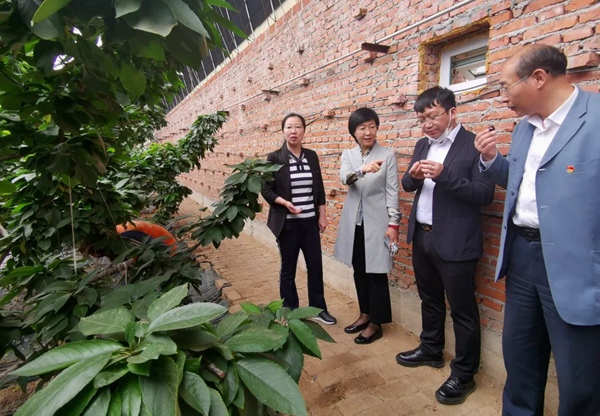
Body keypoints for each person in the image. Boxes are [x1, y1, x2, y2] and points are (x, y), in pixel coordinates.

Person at [474, 44, 600, 416]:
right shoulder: (524, 129)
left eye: (506, 86)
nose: (503, 96)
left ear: (539, 78)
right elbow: (522, 184)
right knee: (520, 361)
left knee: (580, 382)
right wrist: (492, 160)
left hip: (578, 268)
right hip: (523, 258)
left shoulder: (595, 119)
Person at [397, 87, 495, 405]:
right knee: (429, 300)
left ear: (453, 112)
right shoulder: (422, 144)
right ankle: (431, 349)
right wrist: (413, 177)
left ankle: (464, 374)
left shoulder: (473, 145)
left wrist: (444, 175)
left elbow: (485, 195)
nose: (427, 124)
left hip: (456, 242)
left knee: (462, 310)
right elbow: (408, 184)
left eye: (432, 116)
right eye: (421, 119)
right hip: (423, 236)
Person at [261, 113, 337, 325]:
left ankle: (318, 309)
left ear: (304, 130)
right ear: (283, 131)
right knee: (288, 270)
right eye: (289, 127)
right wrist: (285, 203)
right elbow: (265, 189)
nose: (293, 131)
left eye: (297, 127)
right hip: (288, 224)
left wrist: (322, 215)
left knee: (315, 267)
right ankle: (290, 312)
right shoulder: (274, 158)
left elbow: (319, 188)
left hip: (310, 223)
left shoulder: (311, 156)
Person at [333, 108, 399, 345]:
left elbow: (392, 191)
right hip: (354, 223)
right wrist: (362, 170)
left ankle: (376, 324)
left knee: (376, 272)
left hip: (378, 224)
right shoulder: (348, 155)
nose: (368, 132)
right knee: (359, 270)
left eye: (372, 126)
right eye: (362, 128)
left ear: (377, 128)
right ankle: (364, 314)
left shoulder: (387, 155)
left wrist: (393, 223)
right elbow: (344, 179)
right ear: (354, 132)